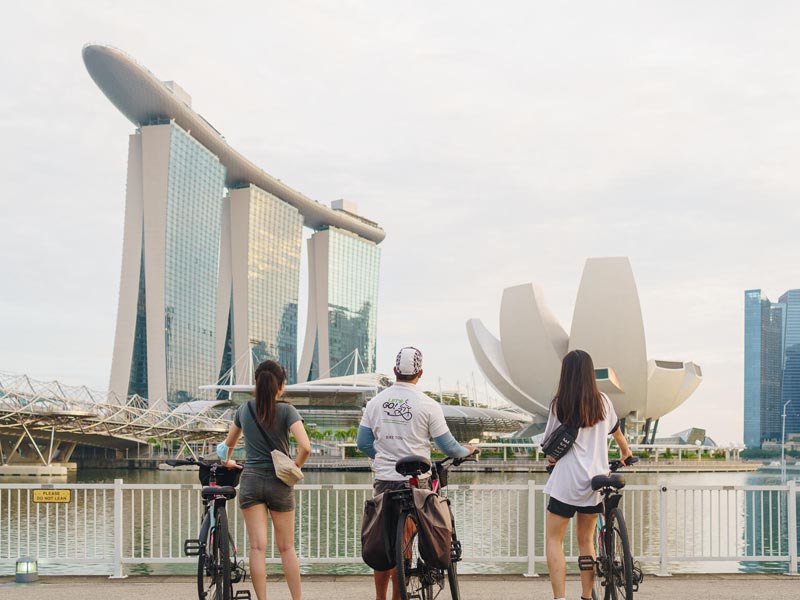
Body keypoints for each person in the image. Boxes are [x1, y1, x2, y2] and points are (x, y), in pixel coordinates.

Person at [357, 346, 477, 600]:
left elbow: (363, 443)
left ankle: (381, 597)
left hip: (385, 480)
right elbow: (448, 447)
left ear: (394, 372)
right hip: (416, 481)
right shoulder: (428, 404)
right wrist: (467, 451)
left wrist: (383, 457)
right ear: (420, 373)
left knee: (383, 542)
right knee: (405, 543)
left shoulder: (376, 402)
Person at [217, 360, 311, 600]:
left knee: (258, 548)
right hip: (280, 482)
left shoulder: (244, 410)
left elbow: (227, 446)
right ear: (280, 385)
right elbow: (306, 447)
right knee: (287, 548)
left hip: (251, 481)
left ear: (257, 384)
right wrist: (294, 467)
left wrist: (228, 461)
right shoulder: (287, 410)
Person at [543, 349, 633, 600]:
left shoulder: (559, 403)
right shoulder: (603, 401)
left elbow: (549, 447)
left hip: (566, 483)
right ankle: (586, 596)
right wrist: (625, 452)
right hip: (595, 481)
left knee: (554, 540)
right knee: (587, 541)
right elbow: (616, 430)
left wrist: (552, 459)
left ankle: (560, 598)